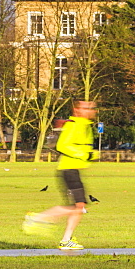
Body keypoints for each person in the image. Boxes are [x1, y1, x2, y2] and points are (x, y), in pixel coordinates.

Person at [23, 100, 99, 250]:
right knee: (78, 207)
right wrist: (85, 155)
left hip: (73, 169)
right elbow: (62, 145)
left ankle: (66, 240)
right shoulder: (74, 124)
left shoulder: (85, 126)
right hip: (68, 169)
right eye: (86, 108)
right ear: (77, 111)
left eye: (91, 108)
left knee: (79, 206)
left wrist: (90, 155)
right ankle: (37, 219)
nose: (90, 110)